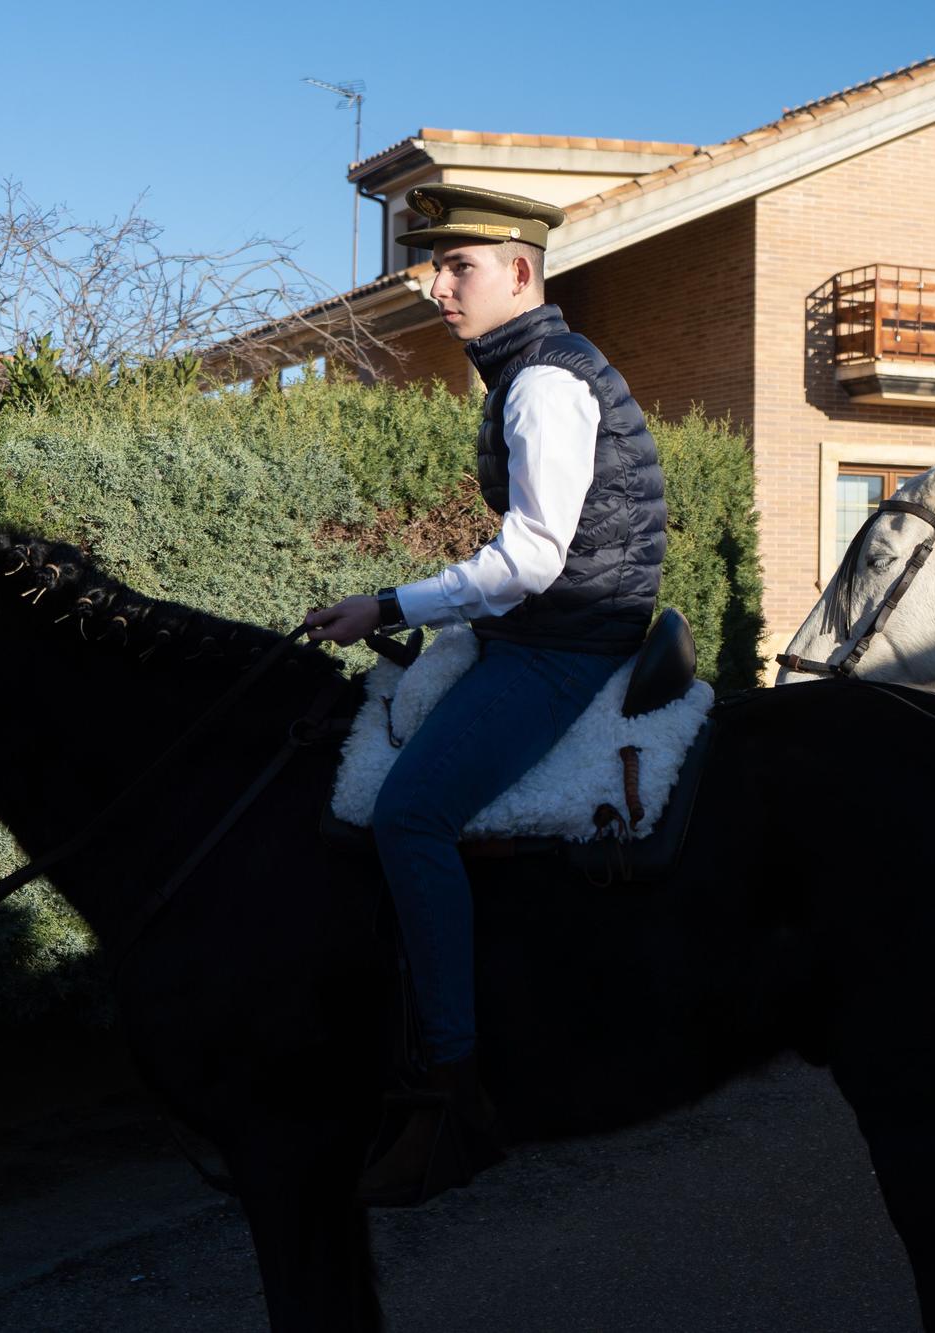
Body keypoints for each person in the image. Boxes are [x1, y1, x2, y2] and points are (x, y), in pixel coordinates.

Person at [304, 184, 666, 1200]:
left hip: (562, 640)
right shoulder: (531, 366)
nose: (436, 286)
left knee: (410, 815)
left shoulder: (543, 382)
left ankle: (452, 1090)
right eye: (433, 266)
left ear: (520, 271)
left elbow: (531, 559)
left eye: (456, 267)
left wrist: (384, 603)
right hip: (546, 625)